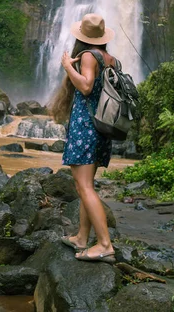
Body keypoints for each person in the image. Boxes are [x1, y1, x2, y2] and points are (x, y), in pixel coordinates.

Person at [50, 13, 116, 263]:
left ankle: (104, 244)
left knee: (84, 186)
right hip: (101, 128)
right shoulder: (110, 58)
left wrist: (68, 66)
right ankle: (81, 237)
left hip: (86, 127)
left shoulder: (88, 56)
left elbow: (87, 87)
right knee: (85, 185)